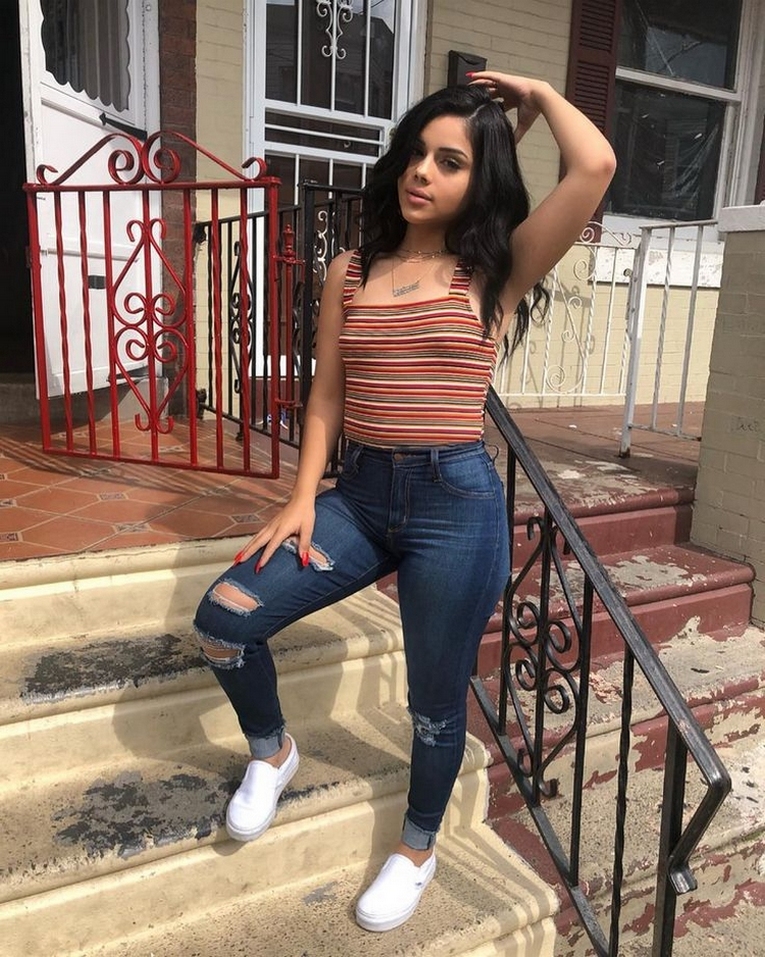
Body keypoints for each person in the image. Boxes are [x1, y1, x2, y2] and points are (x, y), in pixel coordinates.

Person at [193, 71, 615, 933]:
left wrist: (535, 93)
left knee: (432, 703)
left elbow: (595, 165)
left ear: (478, 180)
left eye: (449, 162)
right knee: (223, 619)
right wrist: (300, 497)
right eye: (416, 154)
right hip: (358, 497)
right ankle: (273, 751)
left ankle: (417, 848)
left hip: (454, 506)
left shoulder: (494, 269)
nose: (422, 172)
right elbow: (324, 396)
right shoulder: (349, 271)